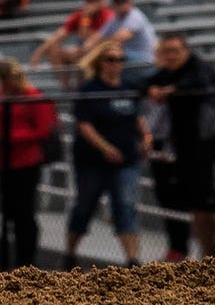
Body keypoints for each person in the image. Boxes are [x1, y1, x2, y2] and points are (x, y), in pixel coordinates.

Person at [140, 34, 215, 261]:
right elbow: (144, 83)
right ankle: (186, 250)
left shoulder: (199, 69)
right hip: (178, 149)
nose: (171, 56)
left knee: (204, 204)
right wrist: (153, 89)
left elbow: (200, 83)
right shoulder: (167, 73)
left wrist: (171, 90)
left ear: (186, 51)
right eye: (166, 51)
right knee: (181, 201)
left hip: (207, 148)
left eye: (175, 51)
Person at [64, 42, 148, 266]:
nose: (116, 64)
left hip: (126, 160)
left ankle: (132, 260)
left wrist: (146, 137)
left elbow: (137, 116)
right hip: (92, 162)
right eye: (111, 59)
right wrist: (105, 147)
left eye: (120, 60)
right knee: (84, 207)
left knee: (126, 206)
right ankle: (70, 253)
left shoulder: (129, 87)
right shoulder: (89, 89)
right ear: (101, 62)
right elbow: (84, 125)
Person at [0, 60, 59, 269]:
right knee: (8, 212)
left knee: (24, 213)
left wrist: (10, 137)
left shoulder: (34, 97)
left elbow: (43, 131)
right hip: (4, 162)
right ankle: (6, 262)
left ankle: (26, 261)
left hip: (26, 161)